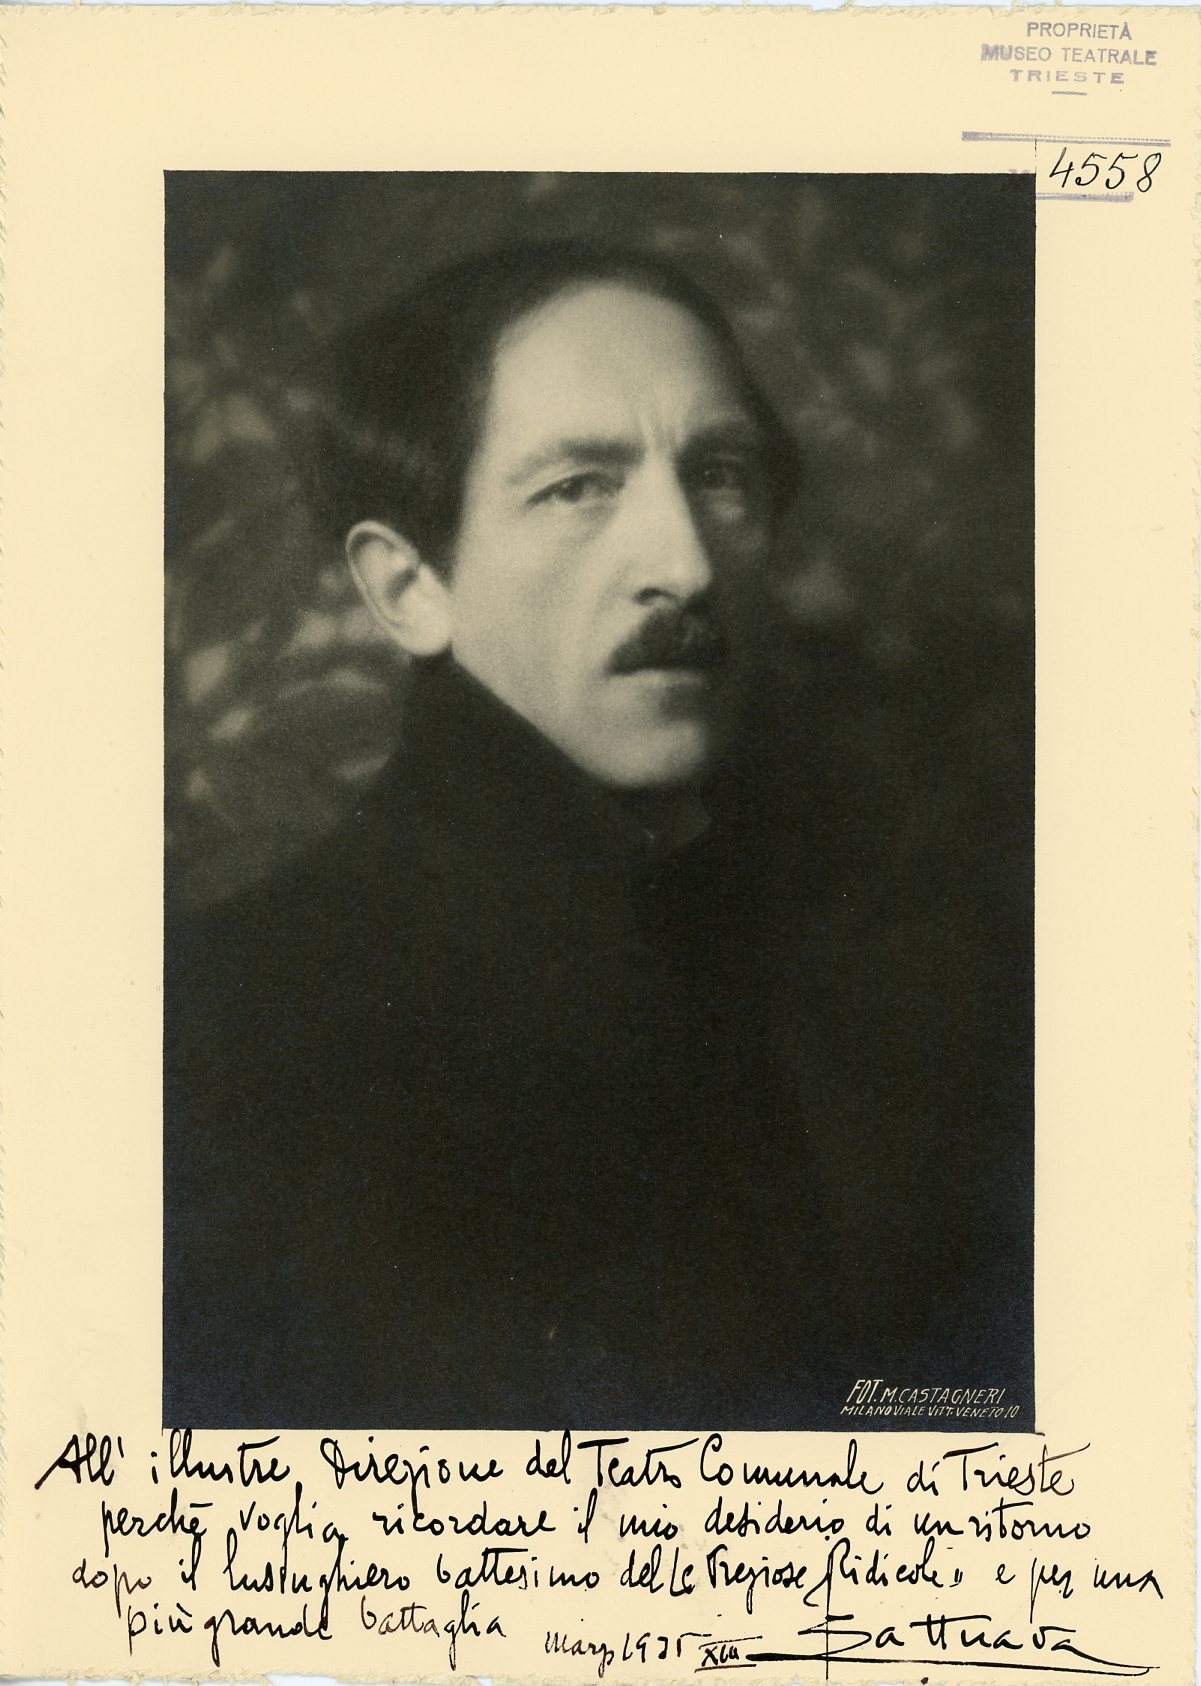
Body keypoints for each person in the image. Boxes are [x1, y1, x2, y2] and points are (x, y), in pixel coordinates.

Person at [164, 241, 1033, 1430]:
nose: (683, 566)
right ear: (409, 588)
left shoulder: (937, 974)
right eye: (577, 487)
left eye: (719, 473)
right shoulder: (216, 1038)